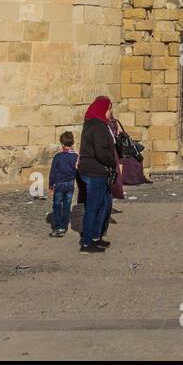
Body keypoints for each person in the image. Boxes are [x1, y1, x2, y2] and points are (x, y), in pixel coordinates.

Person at [77, 97, 118, 253]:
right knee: (94, 207)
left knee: (105, 203)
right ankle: (87, 243)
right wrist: (112, 163)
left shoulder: (91, 124)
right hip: (95, 171)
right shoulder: (98, 126)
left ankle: (95, 237)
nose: (110, 112)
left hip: (92, 170)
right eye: (109, 109)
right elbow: (101, 152)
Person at [48, 131, 77, 237]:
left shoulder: (58, 157)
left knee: (57, 205)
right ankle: (64, 226)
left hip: (59, 184)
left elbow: (53, 173)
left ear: (62, 144)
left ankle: (58, 227)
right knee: (67, 205)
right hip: (70, 184)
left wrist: (51, 185)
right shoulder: (76, 157)